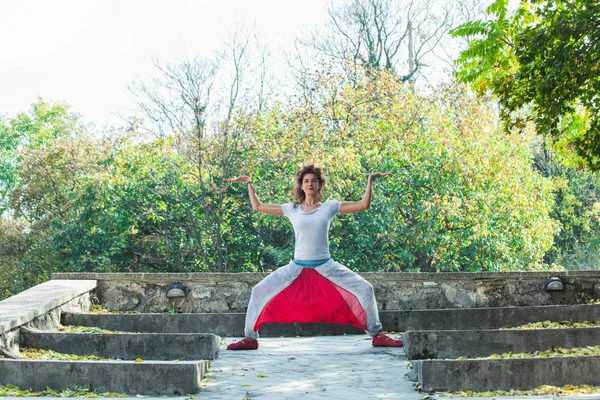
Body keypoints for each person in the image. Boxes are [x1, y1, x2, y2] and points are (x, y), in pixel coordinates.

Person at [226, 163, 403, 350]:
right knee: (258, 291)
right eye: (306, 181)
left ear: (319, 185)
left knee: (366, 289)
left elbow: (363, 205)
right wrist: (249, 183)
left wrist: (370, 180)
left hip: (326, 266)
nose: (310, 184)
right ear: (301, 186)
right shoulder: (292, 209)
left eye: (314, 181)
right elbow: (258, 206)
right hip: (297, 267)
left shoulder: (329, 207)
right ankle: (250, 338)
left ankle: (377, 334)